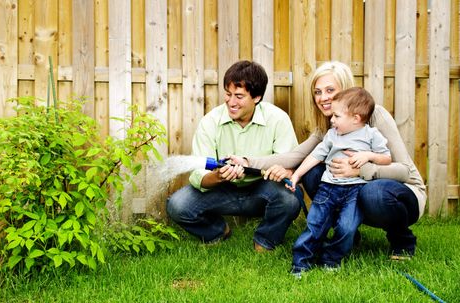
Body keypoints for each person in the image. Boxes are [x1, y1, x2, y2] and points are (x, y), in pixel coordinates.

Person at [235, 61, 426, 261]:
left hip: (402, 196)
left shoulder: (374, 116)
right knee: (313, 172)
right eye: (317, 92)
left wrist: (363, 170)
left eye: (330, 90)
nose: (323, 98)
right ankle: (347, 236)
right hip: (354, 191)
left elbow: (404, 171)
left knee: (373, 192)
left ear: (346, 90)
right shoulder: (330, 126)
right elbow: (296, 156)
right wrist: (247, 162)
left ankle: (402, 242)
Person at [166, 60, 301, 251]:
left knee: (291, 199)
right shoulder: (210, 122)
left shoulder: (278, 119)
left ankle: (265, 240)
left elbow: (290, 162)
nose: (231, 102)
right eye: (228, 95)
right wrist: (218, 176)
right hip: (222, 190)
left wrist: (283, 171)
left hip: (262, 189)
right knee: (177, 205)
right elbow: (198, 175)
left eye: (239, 96)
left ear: (257, 97)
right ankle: (217, 232)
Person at [286, 87, 391, 274]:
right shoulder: (332, 135)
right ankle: (301, 262)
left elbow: (386, 158)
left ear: (356, 118)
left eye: (336, 116)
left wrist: (368, 156)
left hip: (355, 192)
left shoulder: (371, 135)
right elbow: (315, 156)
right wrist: (296, 175)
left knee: (347, 227)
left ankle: (331, 259)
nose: (331, 120)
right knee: (315, 224)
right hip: (328, 188)